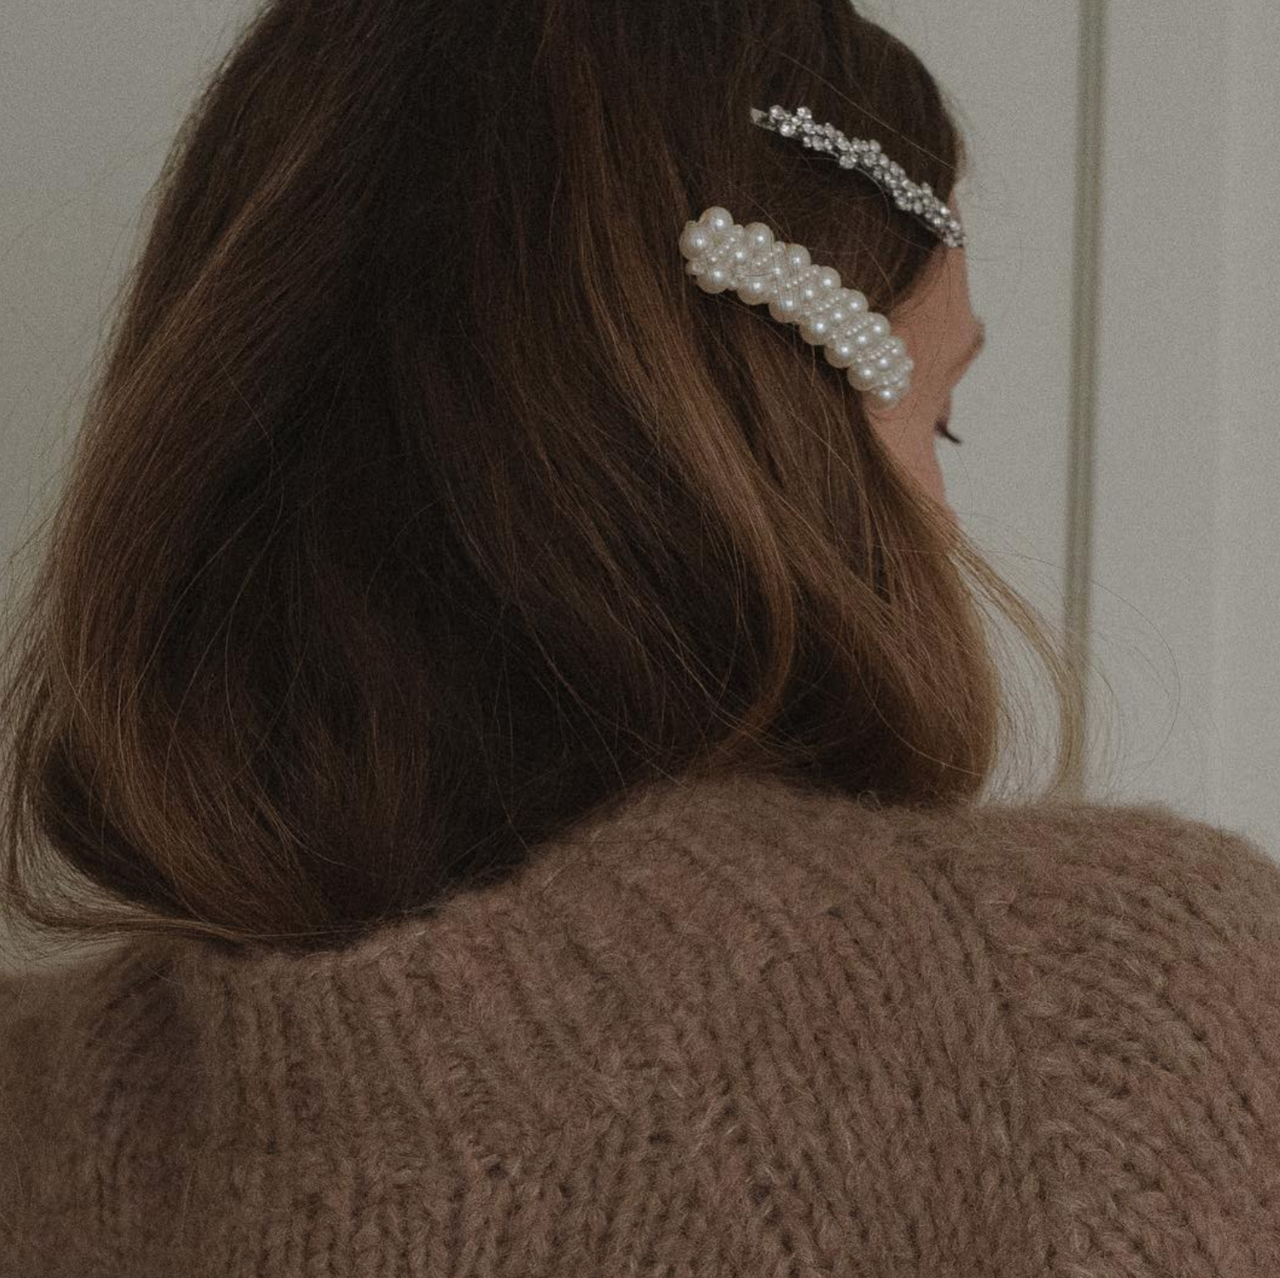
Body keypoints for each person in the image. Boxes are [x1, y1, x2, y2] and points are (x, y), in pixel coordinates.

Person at [3, 0, 1280, 1272]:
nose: (940, 525)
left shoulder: (30, 1120)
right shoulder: (1113, 1015)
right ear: (737, 423)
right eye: (928, 420)